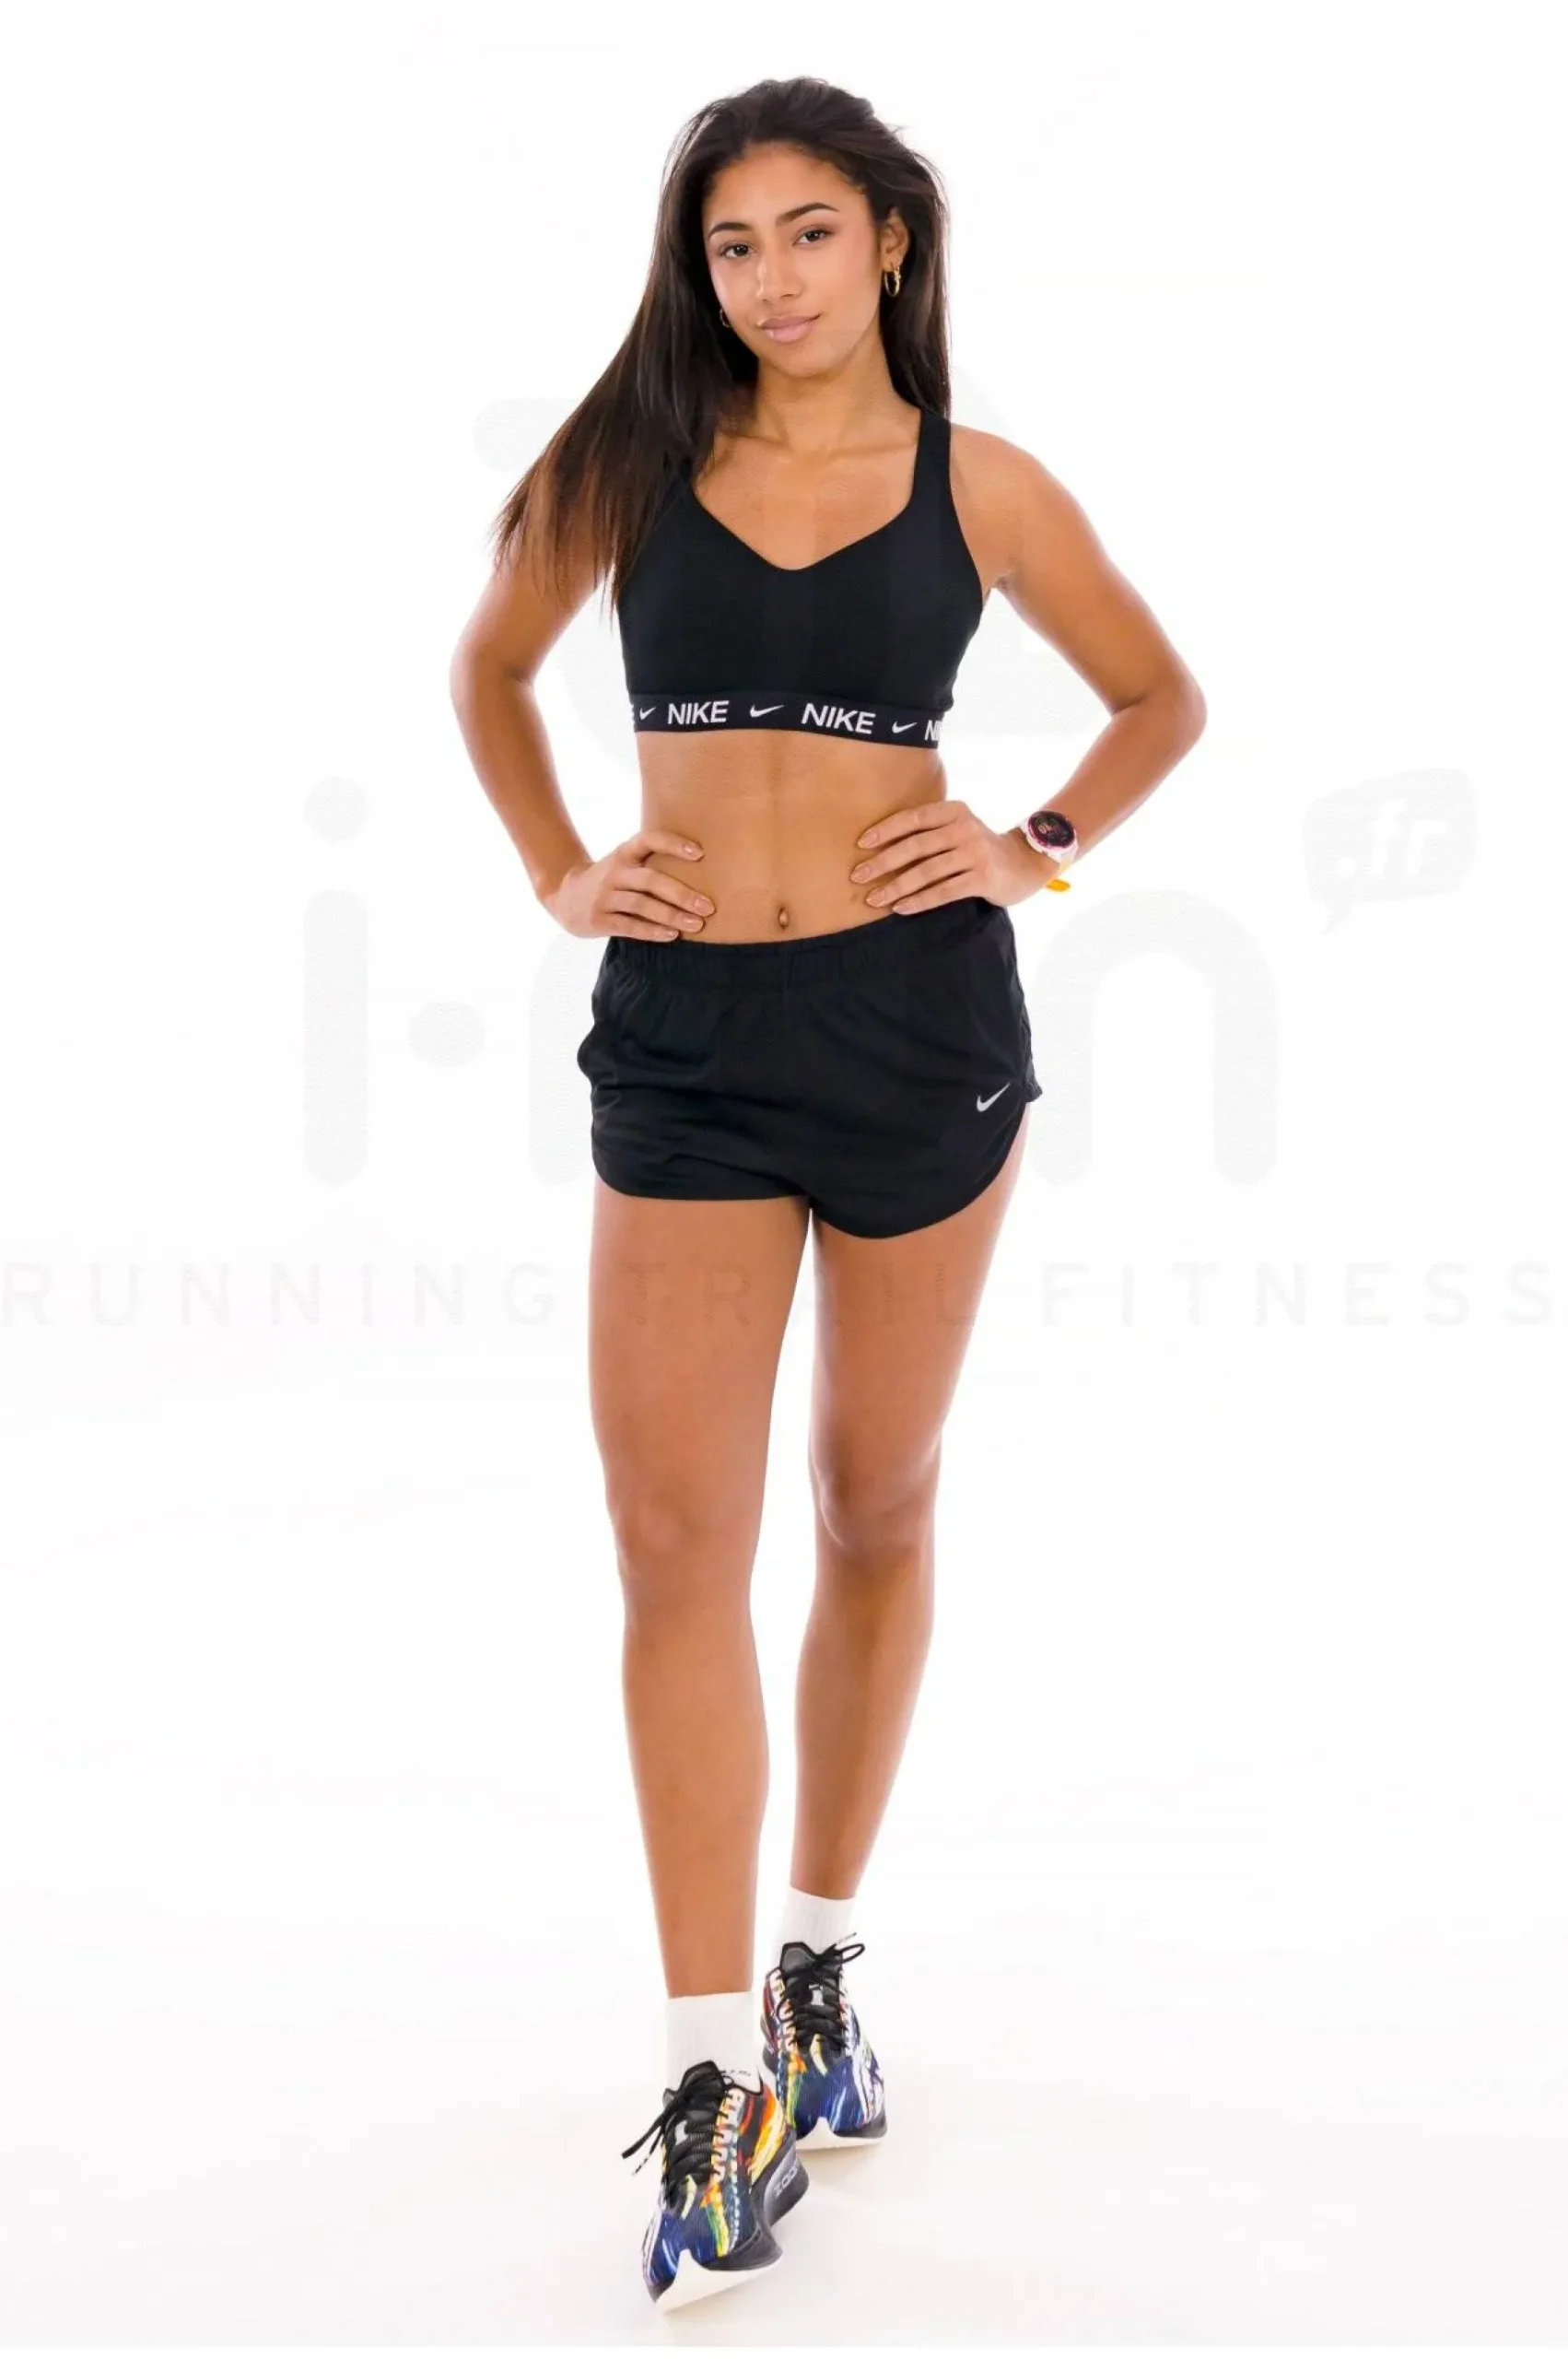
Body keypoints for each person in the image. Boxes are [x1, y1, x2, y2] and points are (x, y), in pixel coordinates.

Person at [450, 75, 1205, 2312]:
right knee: (671, 1534)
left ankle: (815, 1968)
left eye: (804, 233)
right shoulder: (626, 464)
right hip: (686, 1035)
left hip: (911, 1030)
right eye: (728, 244)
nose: (766, 279)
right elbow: (488, 665)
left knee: (872, 1497)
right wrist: (559, 870)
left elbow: (1157, 696)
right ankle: (711, 2072)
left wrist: (1028, 844)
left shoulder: (981, 482)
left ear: (889, 239)